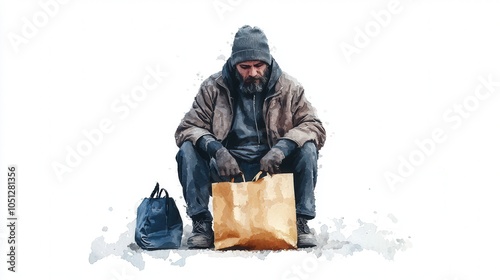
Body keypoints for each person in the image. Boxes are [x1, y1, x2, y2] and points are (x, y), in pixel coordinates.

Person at [175, 25, 326, 249]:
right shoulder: (213, 87)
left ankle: (300, 221)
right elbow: (188, 127)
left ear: (268, 62)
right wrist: (218, 150)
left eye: (258, 66)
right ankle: (202, 224)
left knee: (308, 149)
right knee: (188, 149)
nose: (252, 73)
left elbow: (314, 126)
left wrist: (282, 148)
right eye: (244, 67)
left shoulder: (290, 87)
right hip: (228, 166)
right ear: (234, 65)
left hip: (274, 166)